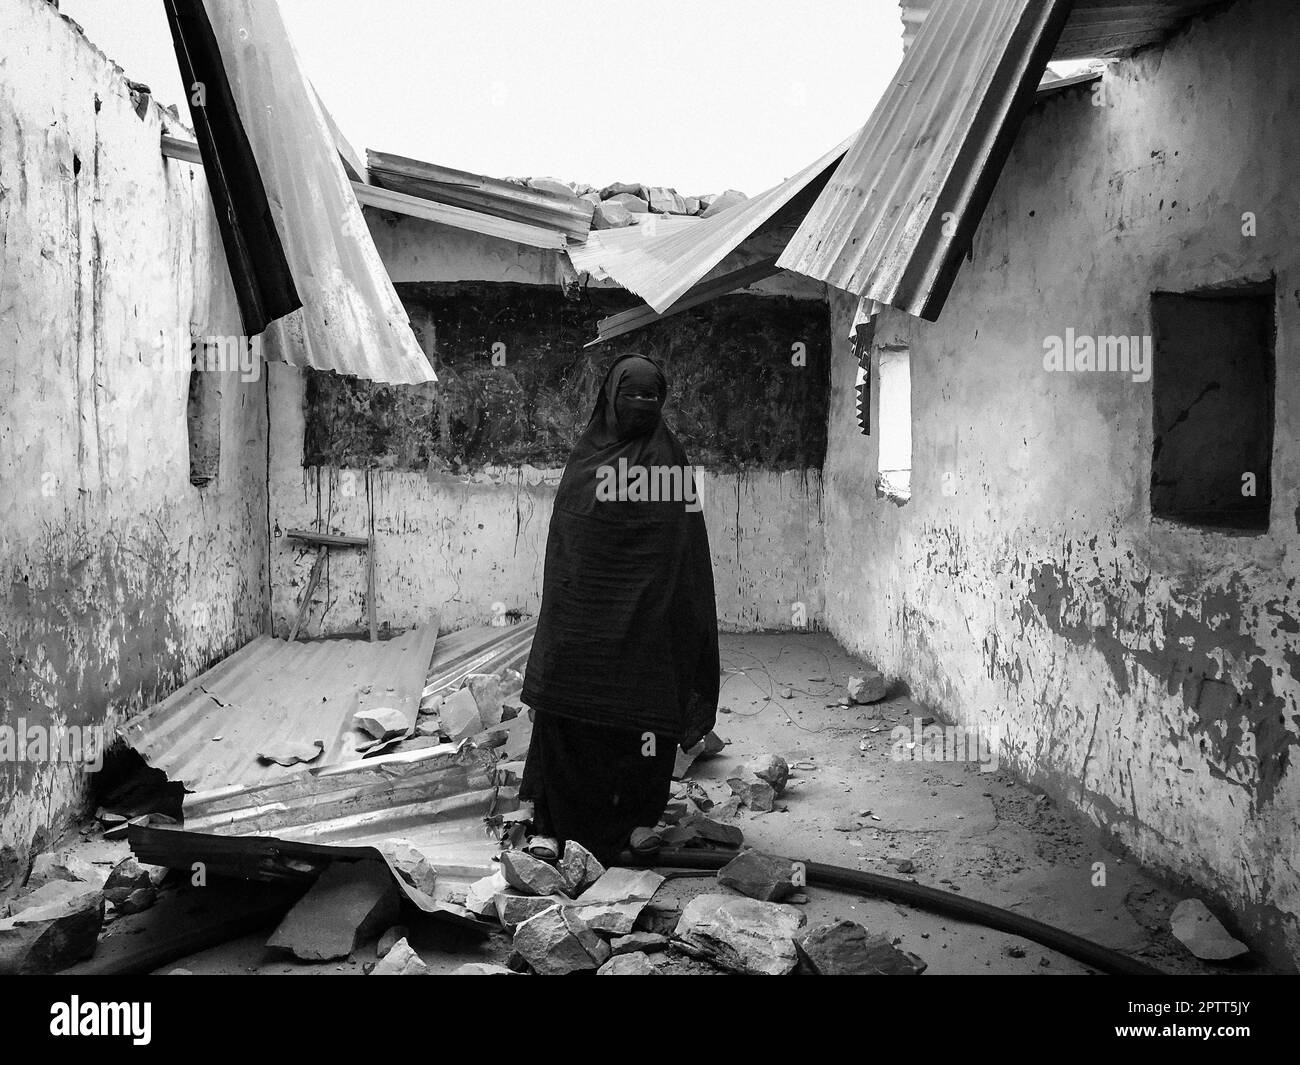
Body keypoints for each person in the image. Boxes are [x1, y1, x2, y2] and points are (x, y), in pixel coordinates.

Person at [519, 353, 719, 866]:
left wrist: (666, 613)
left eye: (650, 397)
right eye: (630, 395)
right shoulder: (586, 459)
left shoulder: (669, 461)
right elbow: (569, 544)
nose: (640, 405)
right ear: (611, 397)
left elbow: (682, 549)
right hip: (582, 616)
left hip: (648, 619)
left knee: (642, 718)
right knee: (565, 710)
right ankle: (550, 825)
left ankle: (637, 821)